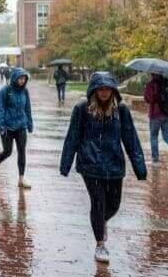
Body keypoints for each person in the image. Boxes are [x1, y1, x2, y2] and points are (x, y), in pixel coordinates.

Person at [60, 72, 147, 263]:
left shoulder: (121, 110)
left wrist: (139, 167)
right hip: (89, 163)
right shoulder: (83, 108)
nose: (105, 92)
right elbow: (72, 137)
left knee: (114, 204)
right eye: (101, 89)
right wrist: (66, 163)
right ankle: (100, 244)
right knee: (98, 203)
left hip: (114, 163)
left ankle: (100, 222)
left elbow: (131, 139)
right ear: (94, 90)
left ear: (113, 90)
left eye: (108, 89)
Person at [0, 67, 34, 189]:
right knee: (7, 151)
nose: (22, 81)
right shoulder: (6, 90)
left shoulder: (25, 91)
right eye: (20, 78)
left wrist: (30, 123)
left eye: (24, 79)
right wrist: (1, 126)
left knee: (22, 151)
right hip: (7, 127)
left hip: (21, 125)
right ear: (15, 78)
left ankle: (21, 178)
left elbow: (28, 108)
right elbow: (0, 108)